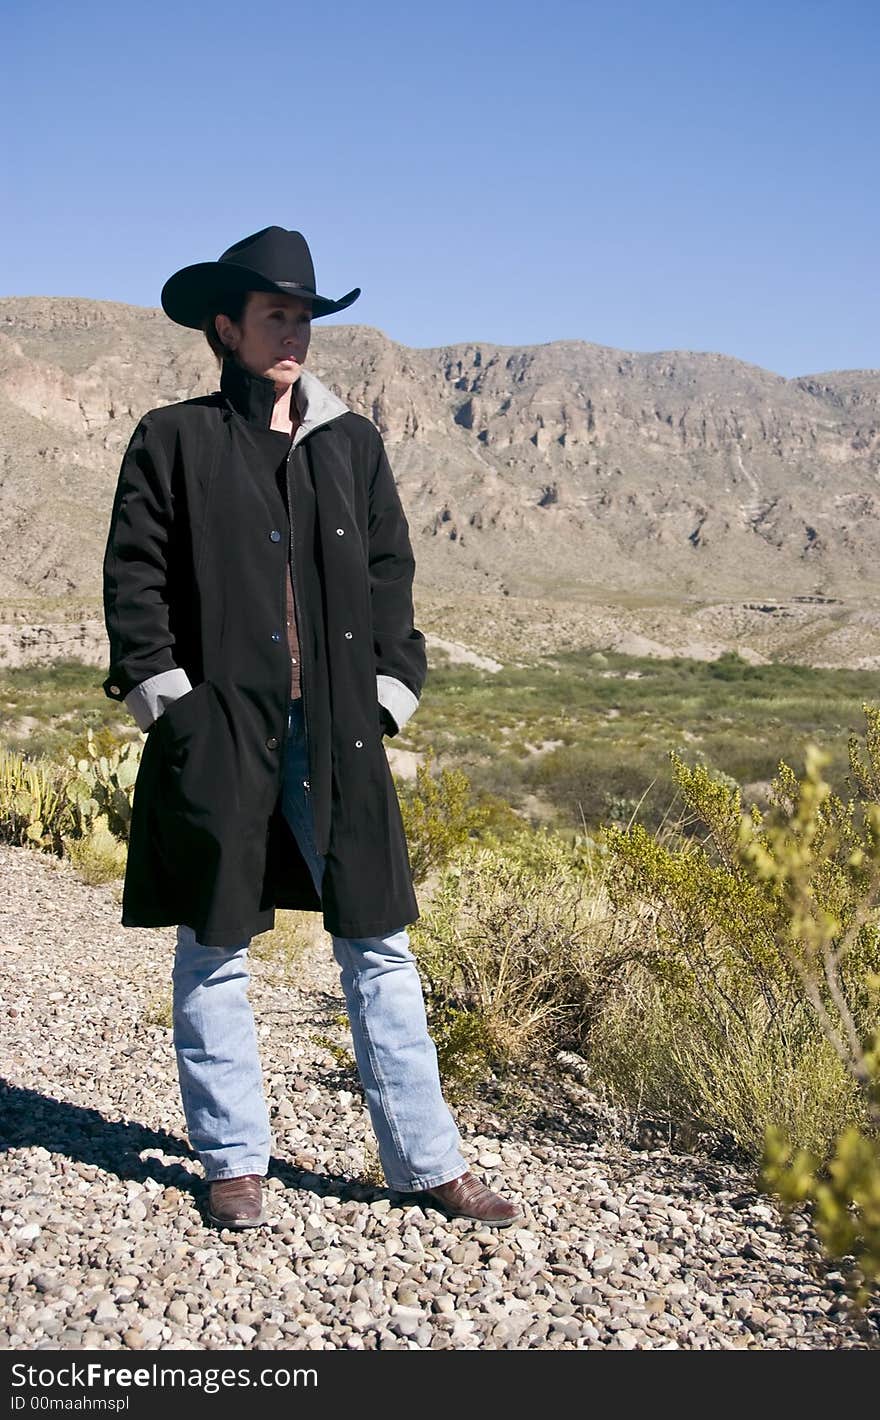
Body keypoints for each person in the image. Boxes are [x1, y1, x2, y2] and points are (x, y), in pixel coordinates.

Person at [101, 226, 524, 1230]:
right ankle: (233, 1160)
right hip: (223, 732)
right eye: (275, 315)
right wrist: (176, 709)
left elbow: (389, 580)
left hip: (339, 734)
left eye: (304, 316)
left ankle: (427, 1164)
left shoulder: (352, 443)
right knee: (216, 940)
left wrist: (388, 695)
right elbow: (135, 582)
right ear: (226, 327)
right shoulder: (175, 437)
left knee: (377, 941)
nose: (294, 332)